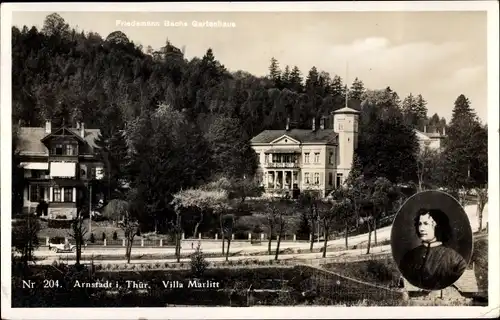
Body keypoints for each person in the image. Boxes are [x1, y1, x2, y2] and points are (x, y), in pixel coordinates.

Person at [398, 208, 467, 291]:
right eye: (420, 224)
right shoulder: (409, 257)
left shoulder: (455, 259)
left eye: (426, 223)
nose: (421, 228)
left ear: (438, 226)